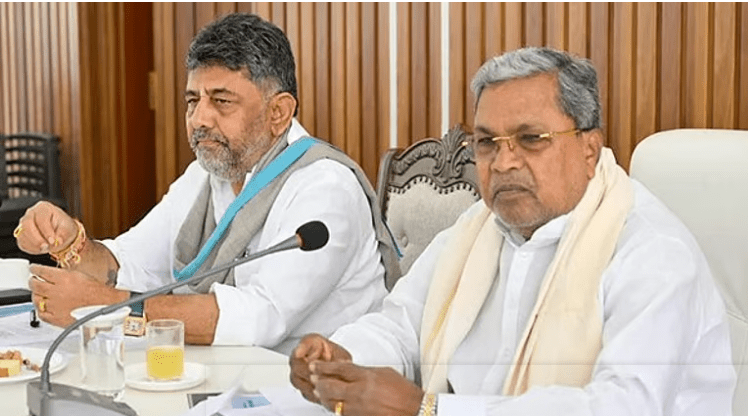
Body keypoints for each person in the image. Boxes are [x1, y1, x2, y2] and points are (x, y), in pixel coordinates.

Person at [290, 47, 736, 415]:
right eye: (487, 142)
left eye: (531, 139)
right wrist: (343, 359)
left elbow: (623, 406)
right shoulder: (475, 231)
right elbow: (401, 326)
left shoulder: (652, 252)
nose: (503, 163)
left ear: (589, 148)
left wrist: (427, 409)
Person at [13, 13, 399, 354]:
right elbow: (131, 263)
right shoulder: (207, 174)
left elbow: (259, 318)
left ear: (278, 112)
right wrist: (70, 242)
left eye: (221, 101)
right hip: (232, 374)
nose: (199, 119)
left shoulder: (325, 187)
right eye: (192, 100)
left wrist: (106, 307)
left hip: (317, 387)